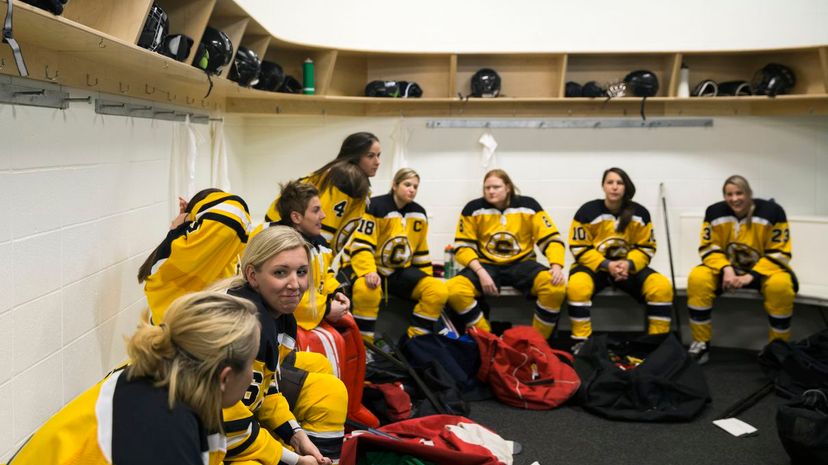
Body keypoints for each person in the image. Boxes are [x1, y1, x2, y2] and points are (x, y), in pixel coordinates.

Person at [7, 292, 260, 465]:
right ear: (224, 377)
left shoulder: (160, 382)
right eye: (251, 363)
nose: (252, 375)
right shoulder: (162, 431)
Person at [214, 226, 347, 465]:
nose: (295, 284)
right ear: (252, 275)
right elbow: (228, 425)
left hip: (226, 423)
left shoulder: (281, 315)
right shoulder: (242, 323)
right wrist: (292, 459)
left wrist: (295, 434)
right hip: (192, 433)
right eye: (280, 273)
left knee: (329, 390)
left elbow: (265, 389)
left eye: (302, 272)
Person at [265, 179, 379, 427]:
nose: (324, 215)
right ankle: (317, 412)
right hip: (286, 320)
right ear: (296, 216)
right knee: (330, 341)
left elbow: (325, 275)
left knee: (350, 329)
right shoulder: (281, 244)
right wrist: (327, 309)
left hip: (312, 314)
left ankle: (348, 405)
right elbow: (288, 292)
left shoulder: (320, 243)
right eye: (316, 210)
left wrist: (337, 292)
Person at [686, 175, 796, 364]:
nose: (734, 198)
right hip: (727, 270)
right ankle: (701, 342)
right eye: (729, 194)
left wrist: (750, 276)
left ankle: (778, 348)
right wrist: (726, 268)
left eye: (739, 193)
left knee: (781, 286)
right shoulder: (714, 212)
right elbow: (709, 248)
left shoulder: (773, 212)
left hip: (763, 271)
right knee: (698, 278)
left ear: (749, 193)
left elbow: (779, 252)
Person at [445, 169, 566, 338]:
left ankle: (538, 342)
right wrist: (480, 272)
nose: (491, 191)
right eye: (487, 188)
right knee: (454, 289)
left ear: (508, 187)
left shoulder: (529, 206)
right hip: (486, 266)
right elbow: (463, 247)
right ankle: (488, 339)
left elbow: (551, 239)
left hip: (522, 264)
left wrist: (556, 265)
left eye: (496, 187)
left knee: (555, 287)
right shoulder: (473, 209)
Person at [566, 167, 673, 348]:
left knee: (661, 287)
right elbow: (578, 247)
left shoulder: (640, 213)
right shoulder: (587, 211)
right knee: (577, 286)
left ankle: (657, 343)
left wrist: (628, 263)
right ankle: (581, 342)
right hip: (595, 267)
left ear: (625, 187)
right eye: (610, 182)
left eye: (619, 183)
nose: (614, 187)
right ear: (603, 186)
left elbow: (646, 247)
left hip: (627, 269)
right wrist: (607, 265)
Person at [349, 168, 448, 341]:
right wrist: (368, 272)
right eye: (407, 184)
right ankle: (364, 347)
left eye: (415, 186)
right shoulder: (375, 207)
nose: (412, 190)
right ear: (394, 185)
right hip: (374, 269)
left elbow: (420, 251)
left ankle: (416, 343)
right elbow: (362, 245)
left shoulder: (419, 213)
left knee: (437, 290)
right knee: (366, 290)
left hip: (401, 271)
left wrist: (427, 277)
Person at [138, 188, 253, 324]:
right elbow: (234, 214)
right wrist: (190, 216)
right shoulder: (174, 260)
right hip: (184, 334)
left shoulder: (217, 257)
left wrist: (187, 221)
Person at [265, 131, 381, 253]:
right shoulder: (346, 178)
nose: (377, 161)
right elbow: (323, 227)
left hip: (285, 229)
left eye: (378, 155)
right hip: (282, 231)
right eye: (370, 156)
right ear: (355, 156)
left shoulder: (347, 176)